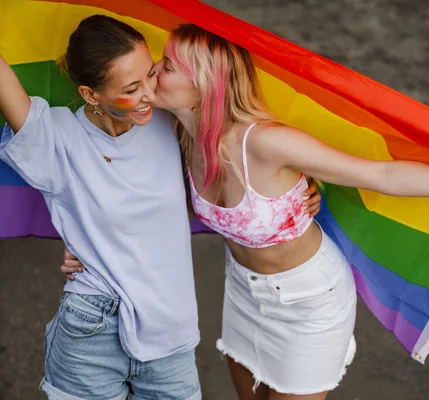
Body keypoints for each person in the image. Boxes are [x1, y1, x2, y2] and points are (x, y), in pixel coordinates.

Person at [115, 24, 429, 400]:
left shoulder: (264, 144)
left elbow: (383, 176)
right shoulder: (176, 134)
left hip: (309, 303)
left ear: (204, 84)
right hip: (242, 293)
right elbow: (108, 178)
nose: (152, 70)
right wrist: (84, 250)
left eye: (166, 65)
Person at [0, 15, 322, 400]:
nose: (149, 95)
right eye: (131, 88)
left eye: (150, 75)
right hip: (91, 331)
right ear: (90, 95)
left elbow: (237, 135)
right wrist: (83, 239)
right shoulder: (54, 137)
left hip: (171, 338)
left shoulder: (168, 123)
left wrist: (291, 190)